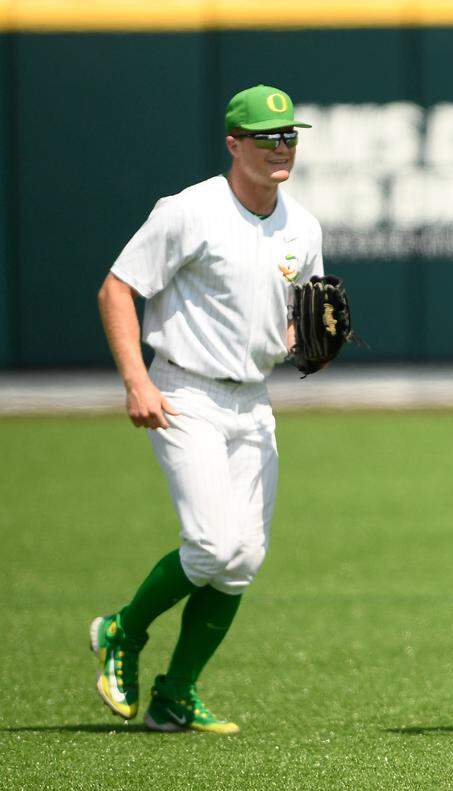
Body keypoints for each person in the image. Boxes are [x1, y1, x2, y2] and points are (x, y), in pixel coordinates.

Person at [91, 84, 323, 734]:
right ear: (233, 143)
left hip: (252, 401)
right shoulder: (189, 211)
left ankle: (175, 694)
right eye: (266, 137)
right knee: (213, 543)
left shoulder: (302, 227)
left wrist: (306, 337)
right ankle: (121, 630)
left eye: (289, 136)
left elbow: (308, 317)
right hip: (183, 390)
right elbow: (117, 287)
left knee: (243, 558)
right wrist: (136, 380)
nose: (281, 147)